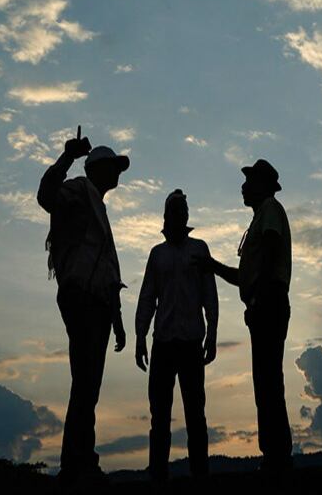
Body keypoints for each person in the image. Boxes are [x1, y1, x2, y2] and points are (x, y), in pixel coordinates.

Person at [36, 126, 128, 487]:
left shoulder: (98, 207)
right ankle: (77, 464)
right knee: (86, 382)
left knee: (88, 384)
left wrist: (117, 319)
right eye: (113, 166)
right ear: (96, 169)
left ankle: (81, 461)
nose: (117, 173)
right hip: (82, 298)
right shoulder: (77, 189)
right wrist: (68, 156)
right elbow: (45, 196)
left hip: (99, 303)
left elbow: (108, 268)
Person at [194, 160, 293, 474]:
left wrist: (259, 296)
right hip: (263, 300)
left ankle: (277, 458)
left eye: (249, 180)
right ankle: (275, 455)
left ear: (263, 185)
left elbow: (270, 251)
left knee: (268, 380)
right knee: (265, 380)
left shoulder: (271, 210)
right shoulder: (261, 218)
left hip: (269, 301)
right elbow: (245, 275)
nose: (243, 186)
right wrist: (213, 267)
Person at [135, 189, 218, 482]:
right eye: (175, 211)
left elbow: (210, 294)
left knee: (196, 414)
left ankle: (200, 474)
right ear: (167, 216)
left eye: (183, 210)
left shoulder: (199, 250)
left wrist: (213, 333)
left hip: (192, 341)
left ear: (185, 216)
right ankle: (159, 475)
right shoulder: (157, 254)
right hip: (163, 343)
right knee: (160, 416)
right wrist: (140, 337)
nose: (179, 215)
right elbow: (147, 297)